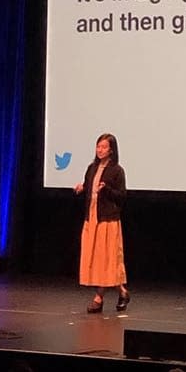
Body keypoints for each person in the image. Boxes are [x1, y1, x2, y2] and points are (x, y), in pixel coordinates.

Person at [73, 132, 129, 313]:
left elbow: (122, 196)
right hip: (92, 219)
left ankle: (98, 298)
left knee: (107, 260)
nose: (100, 150)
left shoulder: (117, 170)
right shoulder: (92, 168)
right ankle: (122, 292)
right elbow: (88, 186)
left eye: (104, 147)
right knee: (97, 261)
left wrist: (107, 190)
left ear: (111, 150)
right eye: (98, 146)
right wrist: (82, 188)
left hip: (108, 220)